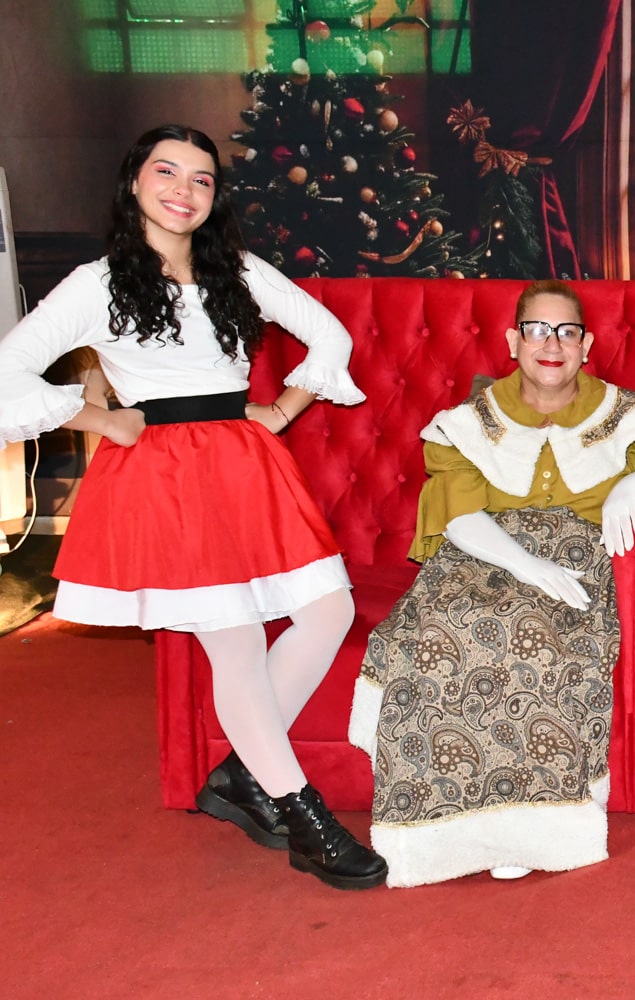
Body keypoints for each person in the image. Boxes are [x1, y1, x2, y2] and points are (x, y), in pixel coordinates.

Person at [0, 124, 386, 889]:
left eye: (202, 179)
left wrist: (280, 411)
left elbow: (329, 336)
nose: (184, 189)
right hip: (167, 477)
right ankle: (302, 814)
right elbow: (7, 373)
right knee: (235, 643)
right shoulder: (97, 283)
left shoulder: (236, 269)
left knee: (329, 609)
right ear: (134, 183)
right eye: (167, 172)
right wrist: (101, 418)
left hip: (246, 465)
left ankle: (242, 774)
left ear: (214, 196)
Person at [349, 279, 635, 888]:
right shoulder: (467, 423)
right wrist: (531, 568)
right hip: (481, 552)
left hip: (577, 555)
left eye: (567, 332)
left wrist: (633, 485)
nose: (552, 344)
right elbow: (459, 515)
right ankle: (444, 836)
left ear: (586, 346)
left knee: (538, 636)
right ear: (513, 341)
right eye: (537, 330)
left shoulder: (627, 412)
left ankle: (529, 829)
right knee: (445, 630)